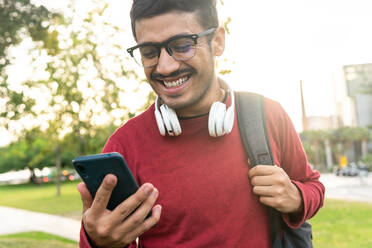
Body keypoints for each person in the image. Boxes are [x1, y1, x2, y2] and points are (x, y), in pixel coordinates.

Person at [77, 0, 325, 247]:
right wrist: (97, 241)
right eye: (150, 52)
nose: (165, 66)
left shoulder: (268, 114)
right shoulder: (124, 144)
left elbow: (313, 186)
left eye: (183, 46)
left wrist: (297, 198)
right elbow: (108, 234)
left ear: (217, 41)